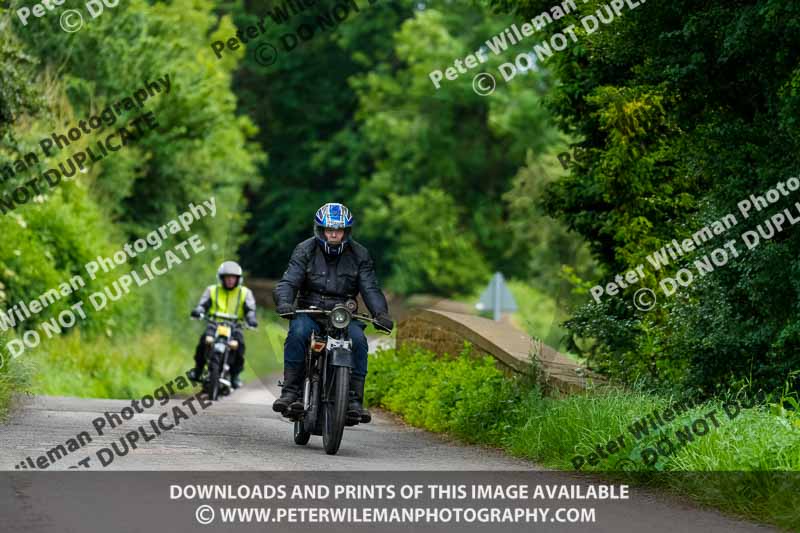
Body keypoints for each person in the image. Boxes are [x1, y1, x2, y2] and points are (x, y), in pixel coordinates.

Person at [272, 202, 393, 423]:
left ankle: (354, 399)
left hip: (342, 315)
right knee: (298, 333)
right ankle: (291, 391)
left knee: (358, 340)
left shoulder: (360, 254)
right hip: (309, 310)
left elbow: (370, 288)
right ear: (321, 230)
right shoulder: (304, 250)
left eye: (338, 230)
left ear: (346, 231)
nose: (334, 234)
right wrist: (285, 302)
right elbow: (288, 281)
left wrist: (381, 313)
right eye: (330, 229)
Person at [188, 261, 258, 389]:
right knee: (204, 341)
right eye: (227, 277)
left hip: (235, 325)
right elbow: (202, 304)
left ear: (238, 279)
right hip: (214, 323)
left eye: (233, 277)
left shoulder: (245, 292)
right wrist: (199, 310)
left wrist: (251, 318)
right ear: (221, 278)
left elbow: (250, 309)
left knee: (240, 345)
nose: (230, 280)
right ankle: (198, 370)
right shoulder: (212, 290)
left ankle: (235, 375)